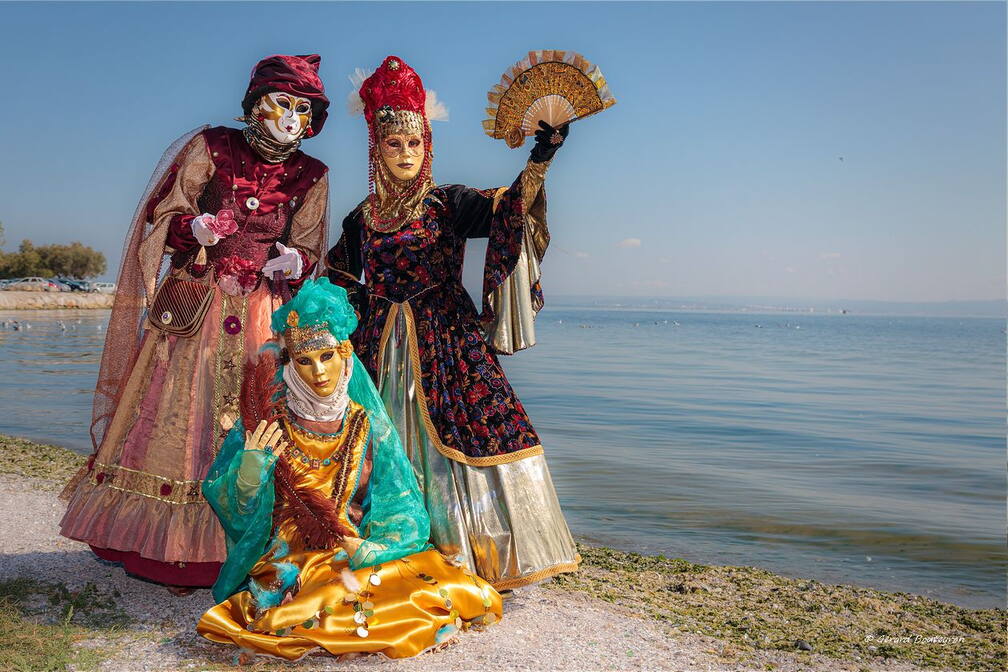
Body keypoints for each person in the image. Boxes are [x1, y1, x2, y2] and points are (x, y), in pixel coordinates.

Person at [60, 54, 332, 590]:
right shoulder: (212, 146)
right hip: (196, 305)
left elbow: (308, 242)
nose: (292, 117)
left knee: (261, 411)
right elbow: (165, 212)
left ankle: (257, 539)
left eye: (304, 109)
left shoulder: (311, 174)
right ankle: (168, 547)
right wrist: (193, 228)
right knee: (179, 411)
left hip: (263, 313)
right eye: (283, 102)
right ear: (256, 102)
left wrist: (297, 261)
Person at [326, 55, 578, 590]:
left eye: (414, 143)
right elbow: (340, 280)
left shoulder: (448, 204)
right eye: (394, 144)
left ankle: (470, 551)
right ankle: (391, 539)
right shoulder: (360, 217)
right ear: (376, 147)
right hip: (375, 348)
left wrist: (541, 156)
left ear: (428, 146)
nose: (405, 154)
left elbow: (508, 210)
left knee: (476, 429)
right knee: (377, 441)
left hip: (447, 340)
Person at [197, 278, 501, 661]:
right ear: (290, 363)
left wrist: (377, 545)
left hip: (349, 543)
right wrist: (248, 473)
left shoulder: (365, 421)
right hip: (288, 556)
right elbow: (236, 512)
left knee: (428, 582)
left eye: (327, 356)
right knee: (328, 601)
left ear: (345, 355)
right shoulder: (269, 421)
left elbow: (398, 500)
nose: (319, 372)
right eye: (304, 361)